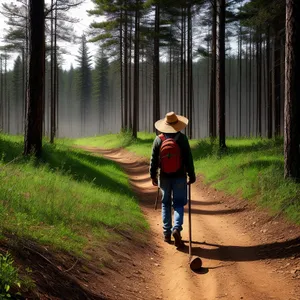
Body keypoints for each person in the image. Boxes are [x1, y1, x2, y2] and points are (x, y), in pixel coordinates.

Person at [150, 112, 196, 248]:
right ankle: (176, 228)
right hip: (179, 176)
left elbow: (153, 160)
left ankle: (166, 234)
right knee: (178, 204)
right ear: (177, 125)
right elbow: (188, 159)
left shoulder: (158, 140)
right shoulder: (182, 139)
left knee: (165, 204)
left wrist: (153, 176)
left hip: (164, 177)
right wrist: (191, 175)